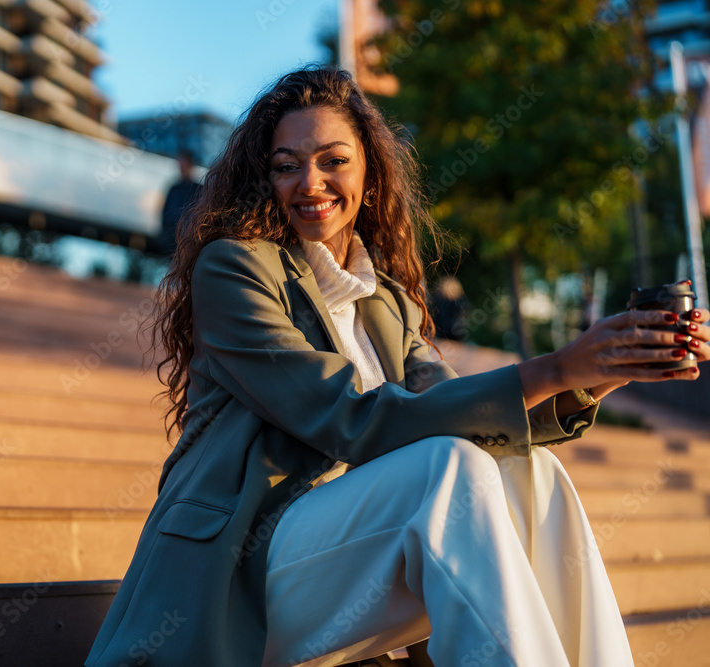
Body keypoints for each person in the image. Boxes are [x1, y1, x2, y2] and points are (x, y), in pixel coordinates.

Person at [85, 67, 709, 667]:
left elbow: (451, 412)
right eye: (286, 166)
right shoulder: (234, 269)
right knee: (448, 468)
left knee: (530, 470)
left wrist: (603, 369)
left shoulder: (385, 299)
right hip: (242, 569)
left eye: (333, 160)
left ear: (369, 172)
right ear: (262, 178)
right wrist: (556, 364)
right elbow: (349, 418)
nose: (310, 182)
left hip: (350, 559)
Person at [157, 149, 203, 258]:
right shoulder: (174, 188)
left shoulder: (199, 190)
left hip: (190, 241)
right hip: (173, 240)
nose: (182, 168)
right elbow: (166, 213)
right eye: (180, 165)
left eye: (184, 165)